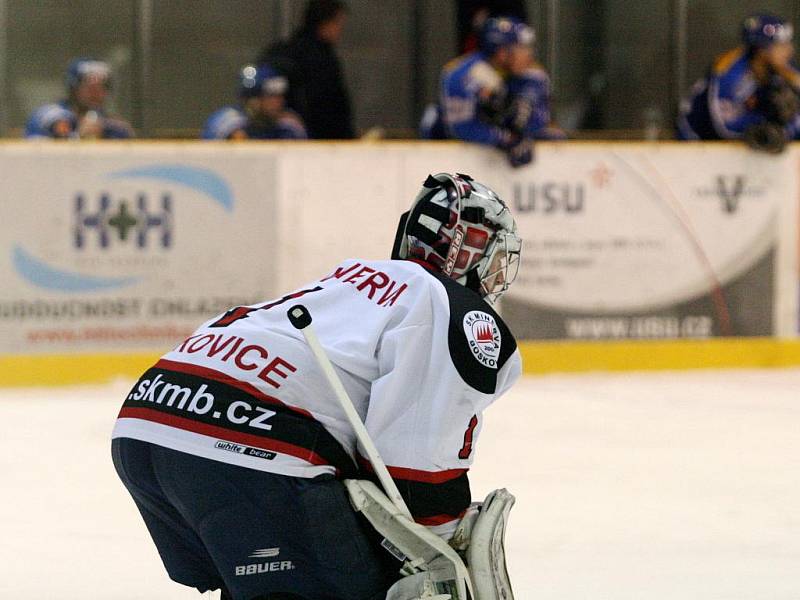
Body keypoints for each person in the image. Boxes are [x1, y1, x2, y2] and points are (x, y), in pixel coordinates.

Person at [111, 172, 522, 600]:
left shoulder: (348, 282)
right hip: (251, 449)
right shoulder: (448, 304)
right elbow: (416, 460)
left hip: (148, 423)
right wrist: (440, 540)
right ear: (469, 250)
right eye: (494, 258)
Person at [421, 16, 565, 168]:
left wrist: (525, 130)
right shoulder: (461, 75)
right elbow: (462, 127)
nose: (528, 54)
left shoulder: (534, 74)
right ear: (502, 52)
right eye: (521, 48)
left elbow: (540, 120)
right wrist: (505, 139)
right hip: (452, 152)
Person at [678, 13, 800, 153]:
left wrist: (785, 130)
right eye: (782, 45)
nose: (790, 50)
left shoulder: (785, 68)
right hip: (697, 140)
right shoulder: (729, 72)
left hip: (743, 145)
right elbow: (723, 128)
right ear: (762, 50)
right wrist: (764, 126)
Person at [258, 0, 354, 139]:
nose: (339, 31)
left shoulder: (282, 50)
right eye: (338, 24)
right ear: (326, 23)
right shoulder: (322, 59)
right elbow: (331, 107)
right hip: (317, 139)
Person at [25, 58, 134, 139]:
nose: (97, 93)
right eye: (89, 87)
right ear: (73, 88)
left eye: (103, 87)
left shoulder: (109, 123)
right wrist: (79, 135)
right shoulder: (50, 114)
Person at [202, 64, 307, 140]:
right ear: (253, 100)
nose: (279, 101)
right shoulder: (227, 122)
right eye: (271, 96)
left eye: (280, 95)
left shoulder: (288, 125)